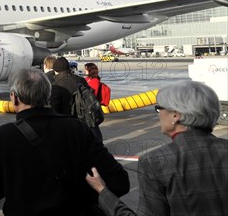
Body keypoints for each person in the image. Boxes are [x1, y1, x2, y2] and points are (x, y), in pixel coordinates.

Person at [0, 69, 129, 215]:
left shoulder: (0, 138)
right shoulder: (77, 129)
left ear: (14, 97)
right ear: (47, 95)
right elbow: (120, 182)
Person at [86, 80, 228, 216]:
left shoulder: (156, 161)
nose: (159, 114)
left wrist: (102, 191)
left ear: (175, 115)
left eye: (160, 108)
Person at [51, 57, 103, 141]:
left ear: (55, 71)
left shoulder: (56, 85)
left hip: (69, 125)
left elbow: (54, 108)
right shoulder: (81, 80)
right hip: (86, 119)